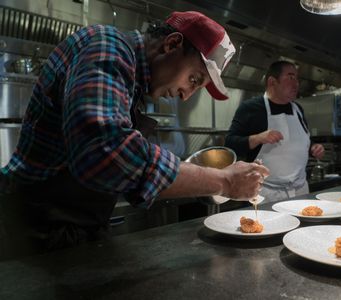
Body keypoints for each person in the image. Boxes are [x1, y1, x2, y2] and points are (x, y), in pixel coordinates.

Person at [0, 11, 269, 258]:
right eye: (194, 79)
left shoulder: (134, 83)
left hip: (75, 229)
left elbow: (130, 167)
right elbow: (105, 152)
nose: (187, 95)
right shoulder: (107, 46)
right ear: (172, 44)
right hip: (34, 231)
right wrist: (223, 181)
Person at [225, 61, 323, 202]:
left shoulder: (298, 110)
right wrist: (258, 138)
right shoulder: (251, 108)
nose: (296, 83)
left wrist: (313, 148)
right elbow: (230, 144)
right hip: (266, 194)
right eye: (290, 77)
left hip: (301, 191)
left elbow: (298, 143)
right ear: (272, 81)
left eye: (297, 78)